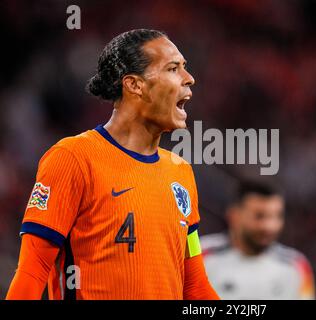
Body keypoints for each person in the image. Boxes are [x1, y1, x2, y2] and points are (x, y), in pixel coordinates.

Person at [6, 29, 219, 300]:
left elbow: (196, 286)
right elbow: (32, 272)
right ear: (135, 85)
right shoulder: (73, 157)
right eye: (173, 68)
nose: (189, 78)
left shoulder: (181, 173)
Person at [201, 181, 315, 299]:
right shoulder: (200, 257)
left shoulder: (296, 266)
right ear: (234, 215)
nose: (269, 226)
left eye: (277, 216)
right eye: (259, 216)